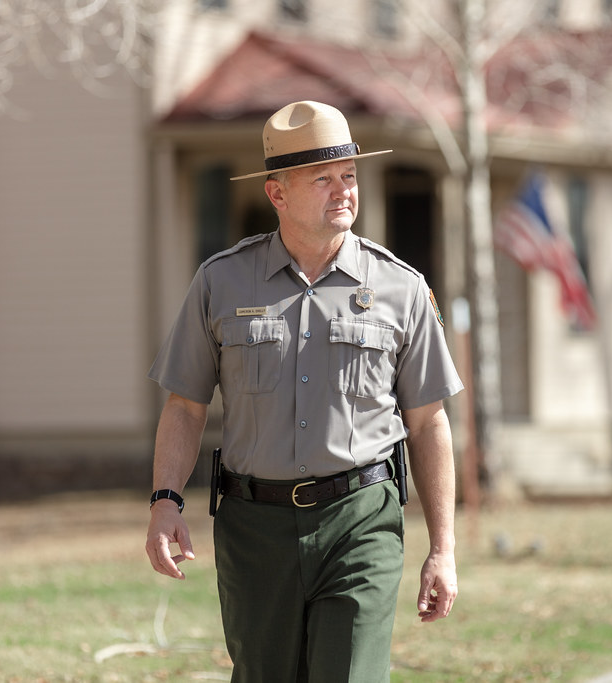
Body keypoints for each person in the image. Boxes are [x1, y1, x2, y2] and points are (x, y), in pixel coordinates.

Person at [144, 100, 464, 682]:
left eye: (349, 176)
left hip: (360, 519)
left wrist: (442, 548)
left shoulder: (402, 288)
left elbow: (428, 423)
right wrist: (165, 500)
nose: (343, 190)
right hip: (253, 529)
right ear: (277, 194)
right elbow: (185, 406)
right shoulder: (221, 281)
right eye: (322, 179)